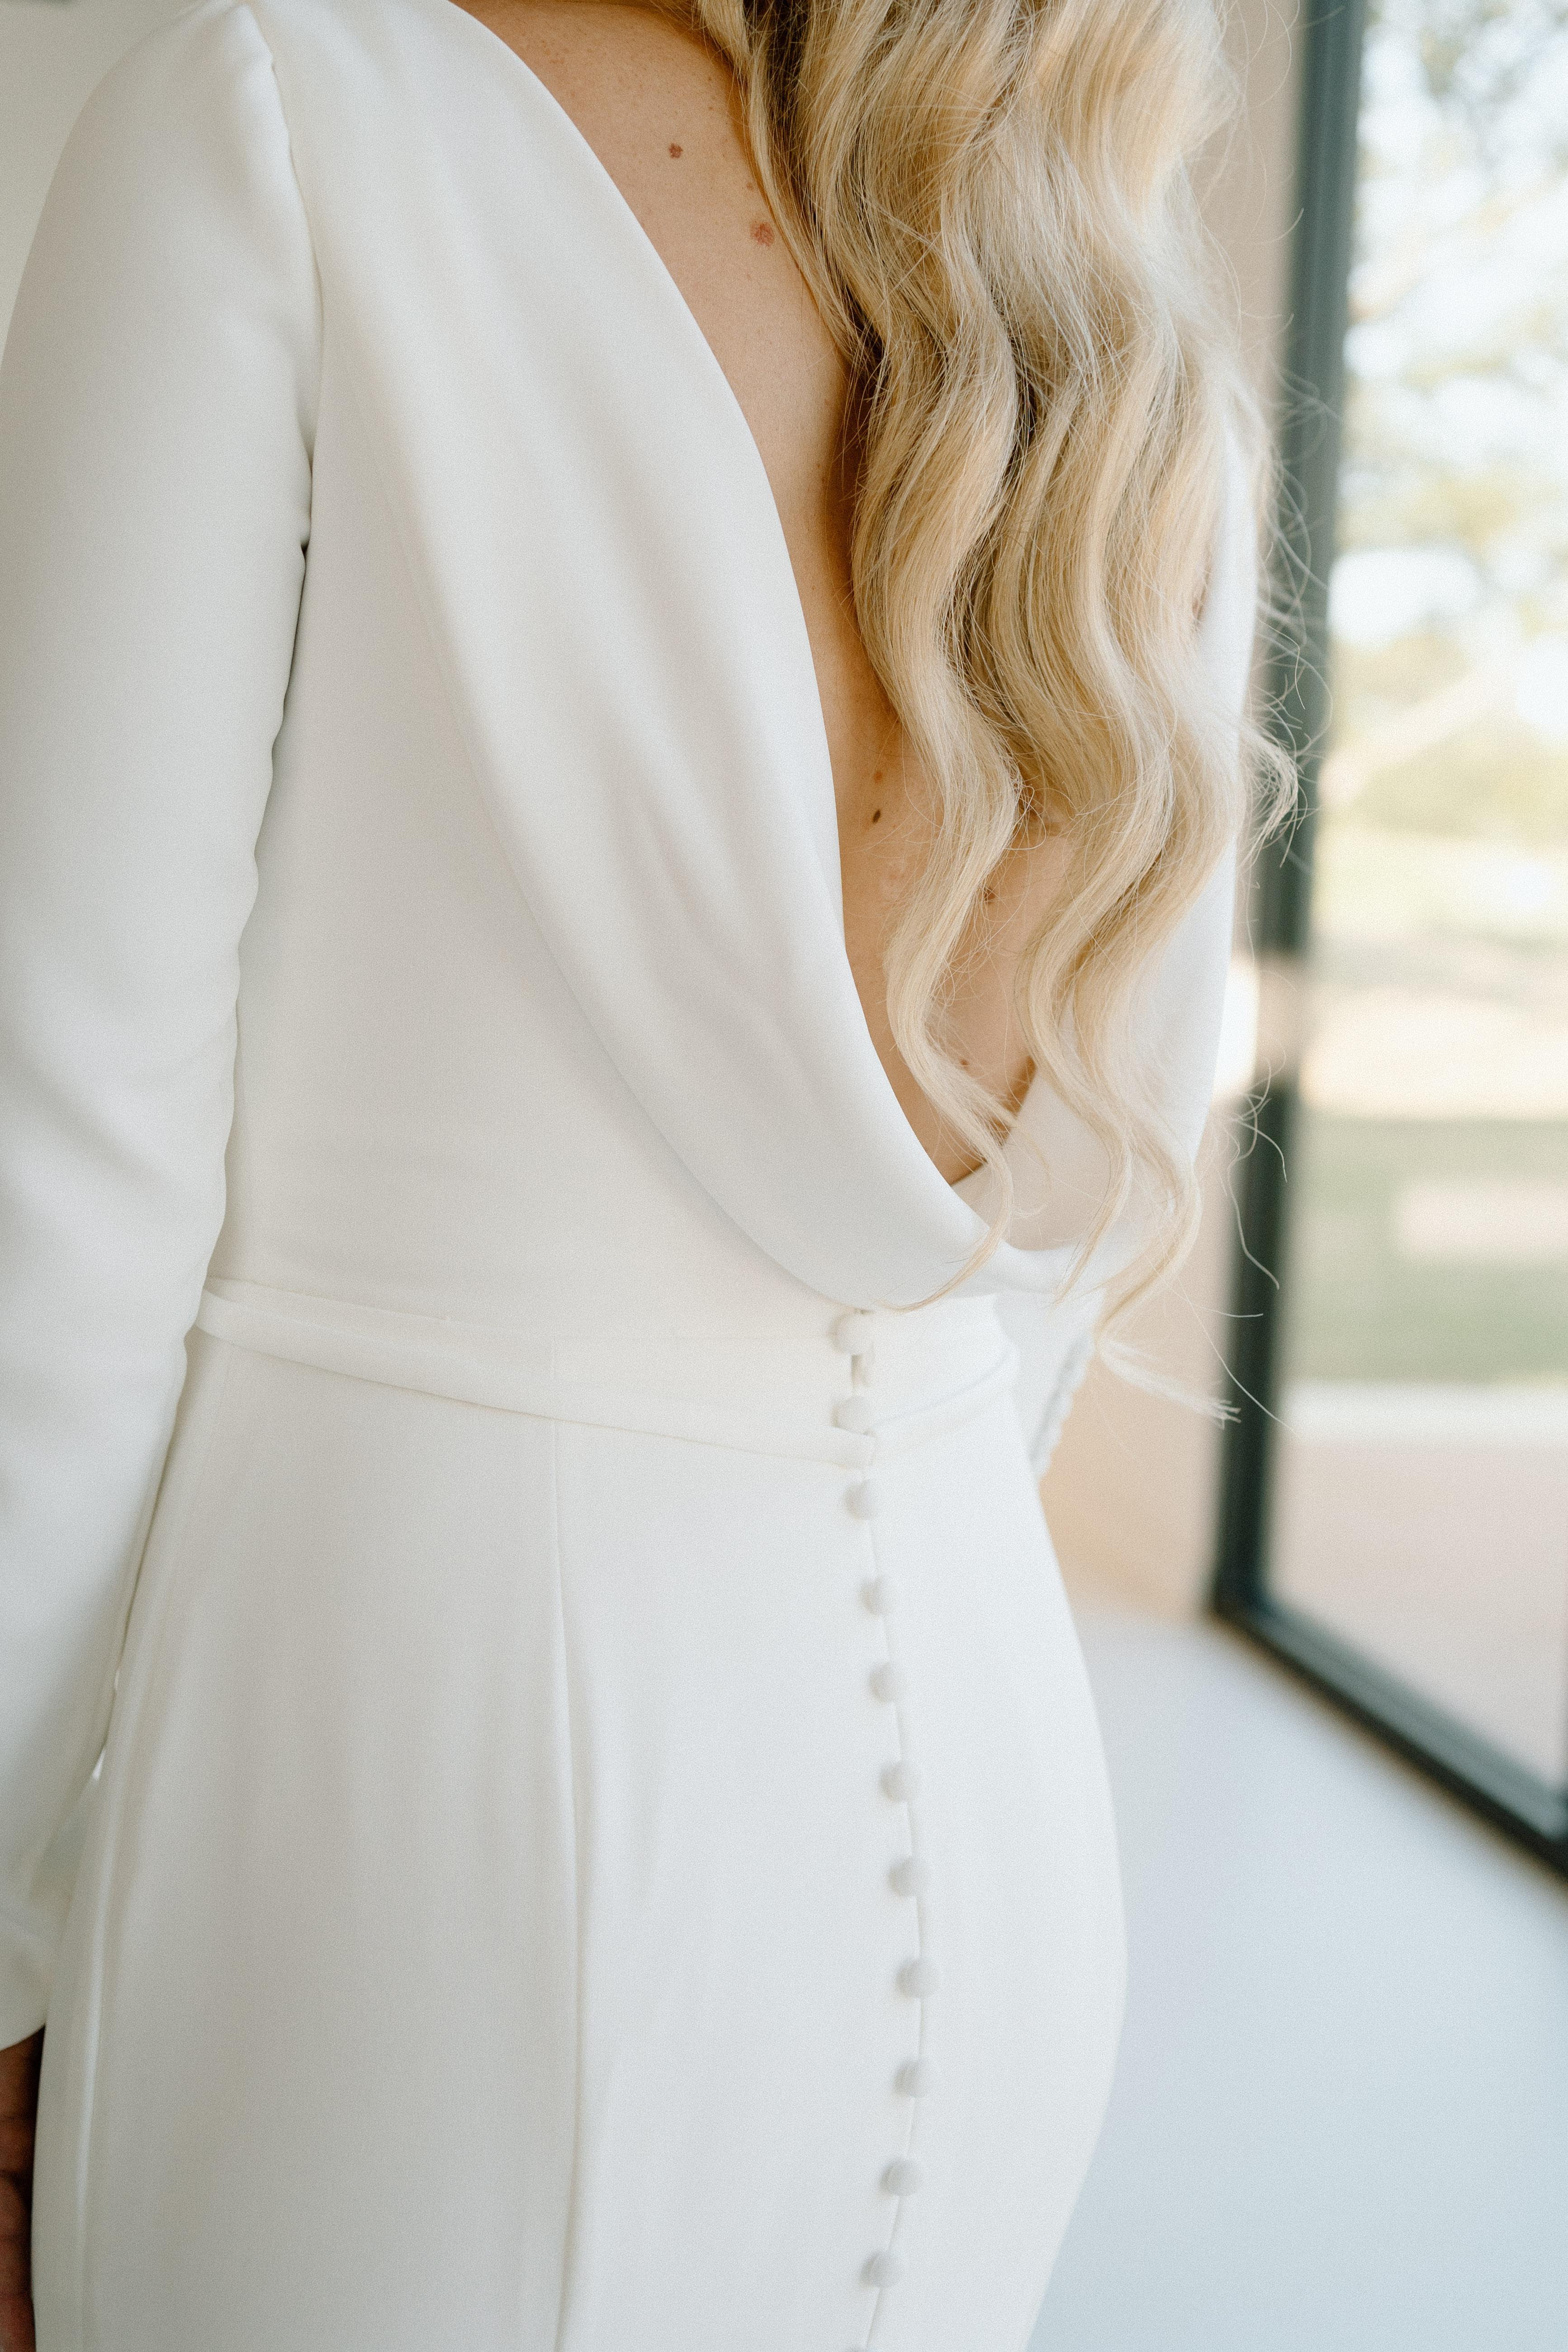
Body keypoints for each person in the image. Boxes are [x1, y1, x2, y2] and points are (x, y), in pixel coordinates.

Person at [0, 2, 1271, 2345]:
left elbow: (56, 1197)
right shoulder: (1121, 313)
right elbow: (1086, 1199)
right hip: (980, 1788)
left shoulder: (283, 121)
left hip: (392, 1812)